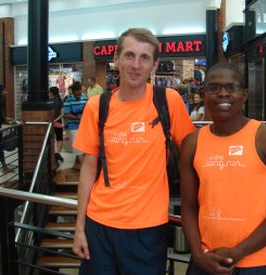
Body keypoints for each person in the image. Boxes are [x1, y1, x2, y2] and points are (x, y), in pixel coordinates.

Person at [72, 28, 195, 274]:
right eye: (129, 55)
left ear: (154, 64)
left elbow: (193, 154)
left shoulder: (167, 100)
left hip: (147, 230)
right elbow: (88, 167)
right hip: (99, 226)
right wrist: (79, 227)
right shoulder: (98, 106)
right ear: (115, 59)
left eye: (144, 58)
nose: (136, 65)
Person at [180, 62, 266, 275]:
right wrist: (197, 253)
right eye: (214, 88)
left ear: (244, 94)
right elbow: (188, 205)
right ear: (205, 94)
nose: (223, 94)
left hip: (256, 262)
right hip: (205, 260)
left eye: (231, 87)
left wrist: (238, 251)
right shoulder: (192, 143)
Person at [63, 81, 87, 170]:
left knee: (82, 146)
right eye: (77, 95)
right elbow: (67, 114)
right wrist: (79, 118)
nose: (79, 96)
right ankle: (84, 168)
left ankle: (76, 165)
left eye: (80, 94)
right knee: (78, 147)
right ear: (73, 92)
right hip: (73, 127)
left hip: (84, 126)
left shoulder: (85, 97)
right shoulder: (68, 100)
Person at [49, 86, 64, 162]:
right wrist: (56, 120)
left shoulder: (49, 101)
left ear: (51, 92)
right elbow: (62, 113)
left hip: (50, 124)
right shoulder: (60, 101)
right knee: (60, 139)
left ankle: (54, 154)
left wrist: (52, 120)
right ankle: (58, 152)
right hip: (58, 123)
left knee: (52, 139)